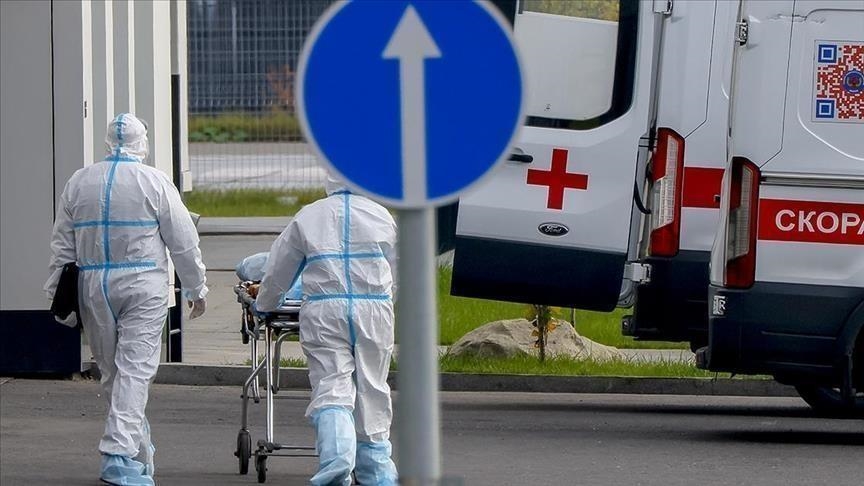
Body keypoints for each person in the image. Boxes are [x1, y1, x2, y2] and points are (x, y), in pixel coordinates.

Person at [44, 113, 208, 486]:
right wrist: (197, 288)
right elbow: (183, 241)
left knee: (114, 374)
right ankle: (118, 454)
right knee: (134, 370)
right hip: (143, 284)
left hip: (93, 285)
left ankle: (136, 452)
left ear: (108, 142)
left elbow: (62, 246)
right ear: (142, 143)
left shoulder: (79, 182)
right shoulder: (154, 182)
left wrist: (57, 294)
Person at [256, 175, 399, 485]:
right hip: (373, 310)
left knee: (332, 385)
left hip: (325, 311)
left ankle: (337, 462)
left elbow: (278, 269)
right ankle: (376, 471)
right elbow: (400, 269)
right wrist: (388, 300)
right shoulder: (381, 215)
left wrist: (265, 304)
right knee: (373, 386)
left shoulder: (309, 216)